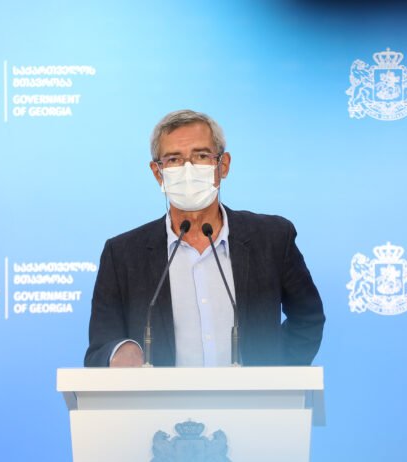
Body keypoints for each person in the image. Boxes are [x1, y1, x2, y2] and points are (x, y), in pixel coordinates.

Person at [85, 109, 325, 368]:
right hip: (162, 396)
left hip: (254, 395)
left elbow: (308, 319)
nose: (188, 169)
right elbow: (101, 348)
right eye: (174, 159)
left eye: (201, 156)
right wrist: (120, 352)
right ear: (157, 173)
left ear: (223, 165)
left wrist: (274, 375)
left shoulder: (272, 238)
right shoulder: (122, 255)